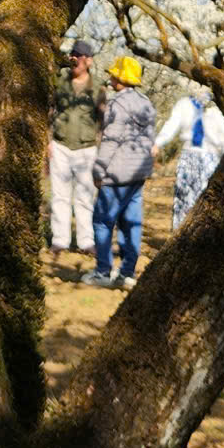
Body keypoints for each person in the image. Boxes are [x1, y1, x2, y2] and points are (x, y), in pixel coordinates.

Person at [89, 56, 156, 290]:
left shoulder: (117, 104)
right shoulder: (146, 103)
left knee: (102, 221)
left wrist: (98, 169)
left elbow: (111, 140)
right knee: (131, 223)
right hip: (138, 173)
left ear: (120, 78)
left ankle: (103, 271)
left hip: (117, 173)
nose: (110, 77)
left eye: (113, 74)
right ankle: (127, 274)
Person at [47, 40, 100, 271]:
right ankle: (60, 240)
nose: (75, 60)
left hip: (87, 148)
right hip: (60, 145)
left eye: (79, 56)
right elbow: (49, 111)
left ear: (88, 60)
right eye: (73, 55)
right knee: (59, 195)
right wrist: (47, 142)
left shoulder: (97, 88)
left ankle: (86, 242)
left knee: (85, 196)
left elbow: (104, 121)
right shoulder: (60, 83)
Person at [153, 83, 224, 228]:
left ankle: (201, 234)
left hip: (212, 158)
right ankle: (179, 233)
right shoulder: (185, 104)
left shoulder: (218, 108)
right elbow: (172, 124)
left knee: (206, 199)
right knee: (183, 198)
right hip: (190, 155)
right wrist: (158, 143)